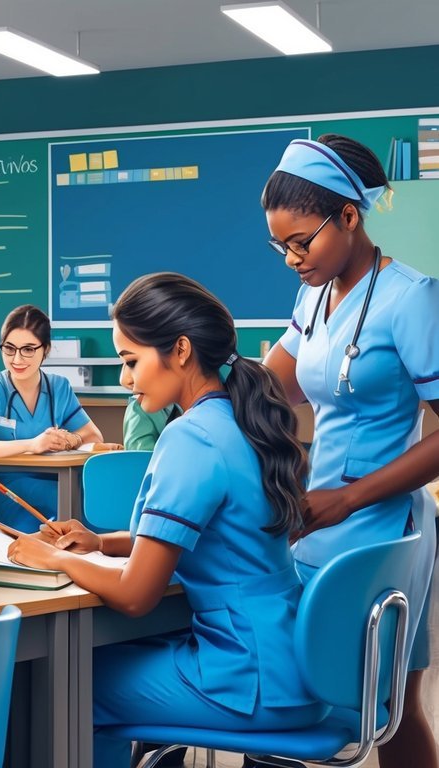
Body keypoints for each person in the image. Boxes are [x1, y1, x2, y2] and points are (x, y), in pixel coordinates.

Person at [7, 273, 325, 768]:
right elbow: (204, 537)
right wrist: (98, 543)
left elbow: (137, 594)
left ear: (179, 350)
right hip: (293, 663)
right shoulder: (242, 419)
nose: (125, 380)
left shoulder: (189, 437)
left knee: (64, 682)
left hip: (246, 676)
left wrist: (50, 557)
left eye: (131, 361)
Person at [262, 134, 439, 767]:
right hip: (315, 520)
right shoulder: (313, 295)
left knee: (387, 710)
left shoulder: (412, 299)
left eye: (301, 241)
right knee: (303, 692)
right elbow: (268, 387)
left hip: (384, 526)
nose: (290, 258)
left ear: (349, 215)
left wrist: (351, 497)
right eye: (279, 245)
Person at [0, 304, 114, 531]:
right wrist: (33, 444)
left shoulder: (59, 386)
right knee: (61, 506)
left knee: (91, 503)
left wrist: (70, 439)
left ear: (46, 349)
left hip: (52, 479)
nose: (17, 359)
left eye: (28, 349)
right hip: (0, 486)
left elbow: (93, 435)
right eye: (9, 349)